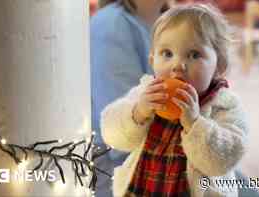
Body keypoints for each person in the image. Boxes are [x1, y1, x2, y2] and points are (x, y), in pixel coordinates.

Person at [100, 4, 249, 196]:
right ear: (152, 59)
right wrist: (137, 113)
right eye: (167, 54)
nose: (178, 65)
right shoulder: (147, 93)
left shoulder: (224, 105)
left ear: (219, 66)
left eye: (194, 54)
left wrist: (195, 124)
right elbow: (112, 136)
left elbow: (225, 159)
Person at [90, 0, 171, 196]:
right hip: (116, 162)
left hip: (164, 145)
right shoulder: (111, 25)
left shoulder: (170, 21)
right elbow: (122, 136)